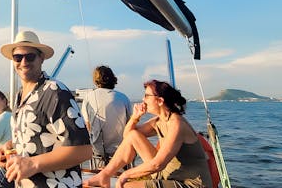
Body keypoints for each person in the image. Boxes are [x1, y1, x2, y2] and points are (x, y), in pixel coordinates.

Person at [0, 30, 92, 188]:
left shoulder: (55, 92)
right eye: (18, 57)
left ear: (41, 58)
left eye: (30, 56)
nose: (23, 61)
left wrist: (33, 163)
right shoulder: (20, 95)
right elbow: (36, 135)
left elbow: (84, 149)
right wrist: (8, 148)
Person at [84, 80, 213, 188]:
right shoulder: (158, 121)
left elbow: (158, 164)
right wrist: (135, 117)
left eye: (146, 96)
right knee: (134, 135)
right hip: (168, 173)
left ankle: (109, 176)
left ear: (160, 101)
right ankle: (104, 176)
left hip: (190, 184)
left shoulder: (177, 124)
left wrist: (126, 174)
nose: (143, 99)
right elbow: (128, 136)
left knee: (127, 185)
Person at [81, 65, 132, 167]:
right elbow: (131, 124)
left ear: (96, 80)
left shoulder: (88, 97)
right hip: (122, 151)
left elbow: (88, 126)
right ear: (113, 79)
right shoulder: (123, 97)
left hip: (98, 152)